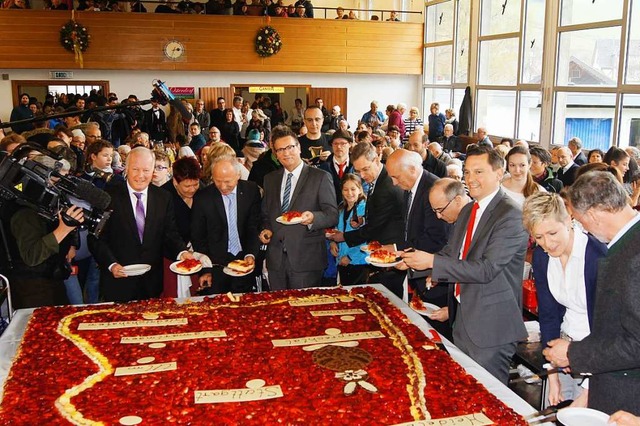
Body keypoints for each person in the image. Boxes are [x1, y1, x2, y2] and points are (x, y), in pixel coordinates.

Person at [401, 145, 529, 384]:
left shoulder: (511, 215)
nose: (471, 179)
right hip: (463, 318)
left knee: (490, 398)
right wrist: (411, 262)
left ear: (499, 173)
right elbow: (452, 252)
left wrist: (432, 262)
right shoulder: (470, 208)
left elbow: (486, 269)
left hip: (490, 326)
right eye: (467, 172)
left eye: (479, 172)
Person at [543, 171, 640, 416]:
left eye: (578, 220)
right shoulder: (626, 244)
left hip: (627, 397)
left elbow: (636, 343)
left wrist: (574, 353)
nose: (581, 228)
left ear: (593, 215)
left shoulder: (633, 255)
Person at [523, 192, 607, 407]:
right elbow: (549, 315)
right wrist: (552, 374)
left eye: (552, 233)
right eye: (538, 237)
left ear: (569, 219)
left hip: (598, 359)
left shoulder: (598, 257)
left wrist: (589, 391)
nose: (547, 244)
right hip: (562, 352)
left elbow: (610, 330)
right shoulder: (542, 257)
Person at [89, 147, 195, 302]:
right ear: (125, 168)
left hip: (151, 283)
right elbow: (95, 238)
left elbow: (170, 234)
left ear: (153, 170)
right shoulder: (108, 197)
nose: (140, 175)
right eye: (135, 169)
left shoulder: (163, 198)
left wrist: (182, 252)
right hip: (118, 282)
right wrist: (111, 264)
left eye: (146, 170)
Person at [259, 125, 338, 290]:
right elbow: (266, 214)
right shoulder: (269, 179)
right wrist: (266, 229)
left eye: (290, 147)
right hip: (276, 260)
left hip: (306, 259)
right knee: (278, 309)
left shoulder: (321, 177)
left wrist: (313, 218)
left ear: (299, 147)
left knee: (304, 311)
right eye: (280, 150)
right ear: (275, 154)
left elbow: (332, 215)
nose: (286, 153)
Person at [3, 154, 83, 309]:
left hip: (50, 279)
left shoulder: (39, 202)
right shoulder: (23, 212)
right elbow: (31, 256)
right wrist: (63, 229)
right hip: (32, 289)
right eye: (53, 182)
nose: (56, 189)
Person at [385, 149, 450, 334]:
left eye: (396, 177)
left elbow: (437, 238)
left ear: (412, 169)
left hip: (434, 276)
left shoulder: (433, 189)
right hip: (416, 271)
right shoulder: (410, 186)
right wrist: (399, 250)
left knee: (434, 333)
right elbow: (409, 228)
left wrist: (405, 256)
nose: (394, 183)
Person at [328, 142, 405, 297]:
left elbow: (375, 228)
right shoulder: (377, 182)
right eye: (358, 171)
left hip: (391, 255)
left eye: (365, 169)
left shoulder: (386, 185)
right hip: (380, 255)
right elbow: (377, 216)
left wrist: (344, 236)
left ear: (377, 160)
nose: (362, 176)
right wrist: (363, 220)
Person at [191, 155, 261, 294]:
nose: (223, 187)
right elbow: (198, 237)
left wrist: (251, 254)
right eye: (218, 181)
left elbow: (253, 227)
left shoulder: (251, 191)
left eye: (228, 181)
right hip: (216, 265)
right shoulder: (203, 198)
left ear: (238, 175)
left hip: (244, 261)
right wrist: (206, 270)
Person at [159, 157, 202, 297]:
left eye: (195, 185)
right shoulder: (163, 196)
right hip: (170, 255)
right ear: (175, 182)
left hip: (197, 255)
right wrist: (181, 251)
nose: (192, 190)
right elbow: (167, 231)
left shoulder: (203, 192)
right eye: (187, 186)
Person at [329, 174, 369, 285]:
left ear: (360, 189)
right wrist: (332, 242)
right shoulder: (341, 208)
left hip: (359, 262)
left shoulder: (365, 208)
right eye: (345, 189)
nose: (349, 193)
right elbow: (336, 230)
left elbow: (366, 236)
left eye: (353, 189)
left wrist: (350, 257)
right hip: (342, 260)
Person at [318, 130, 356, 204]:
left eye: (343, 144)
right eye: (335, 144)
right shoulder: (322, 169)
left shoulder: (357, 167)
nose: (338, 147)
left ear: (350, 144)